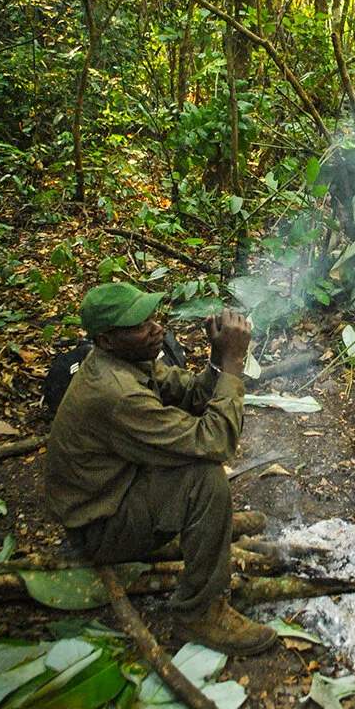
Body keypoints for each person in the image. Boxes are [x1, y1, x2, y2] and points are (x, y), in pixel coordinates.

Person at [44, 281, 276, 656]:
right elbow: (216, 442)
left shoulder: (123, 361)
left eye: (152, 318)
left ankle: (203, 535)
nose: (157, 330)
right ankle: (199, 613)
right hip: (98, 528)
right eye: (141, 326)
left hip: (119, 488)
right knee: (205, 481)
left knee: (195, 470)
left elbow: (192, 393)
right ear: (105, 340)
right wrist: (234, 363)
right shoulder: (115, 392)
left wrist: (218, 358)